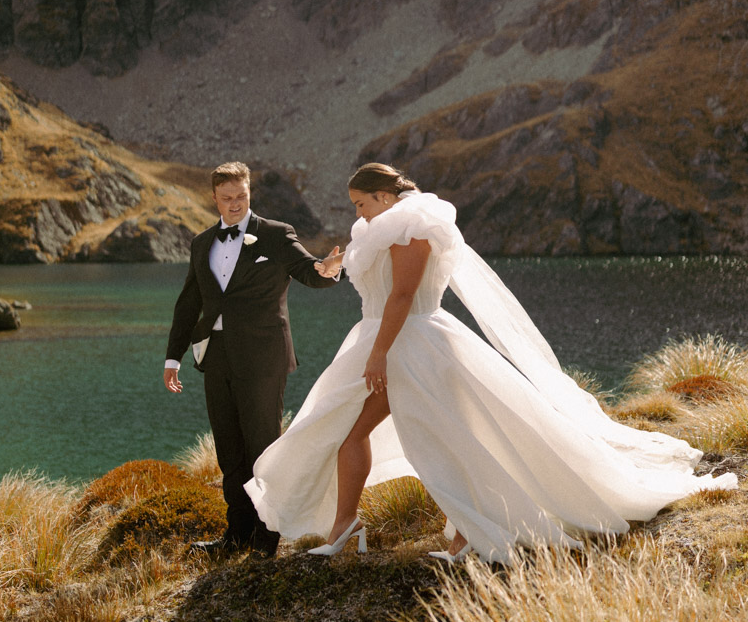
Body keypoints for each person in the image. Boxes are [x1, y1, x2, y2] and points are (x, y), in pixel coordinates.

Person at [246, 163, 737, 563]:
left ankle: (460, 535)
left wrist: (379, 354)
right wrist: (333, 267)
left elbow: (402, 296)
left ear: (384, 196)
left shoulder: (414, 228)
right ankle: (352, 529)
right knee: (359, 433)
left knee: (447, 438)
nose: (358, 213)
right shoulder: (380, 230)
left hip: (413, 343)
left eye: (361, 203)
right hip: (379, 340)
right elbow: (375, 284)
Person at [164, 161, 342, 556]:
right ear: (213, 198)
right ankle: (236, 535)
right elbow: (189, 302)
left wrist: (326, 270)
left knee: (263, 448)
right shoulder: (201, 242)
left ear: (250, 194)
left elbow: (305, 268)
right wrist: (172, 358)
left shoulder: (276, 235)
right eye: (226, 198)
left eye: (241, 197)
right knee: (229, 450)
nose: (234, 204)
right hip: (216, 356)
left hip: (263, 357)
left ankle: (267, 536)